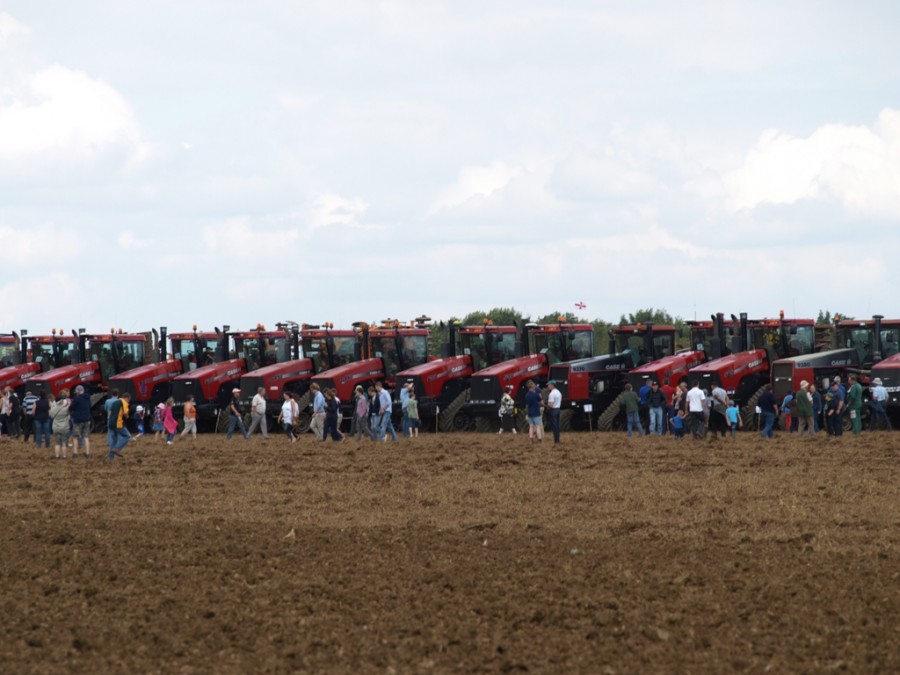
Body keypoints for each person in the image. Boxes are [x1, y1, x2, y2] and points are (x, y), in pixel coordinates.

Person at [69, 384, 92, 459]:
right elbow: (89, 406)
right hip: (87, 419)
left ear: (78, 391)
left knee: (75, 437)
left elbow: (71, 408)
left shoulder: (76, 398)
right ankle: (88, 453)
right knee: (86, 437)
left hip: (78, 420)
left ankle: (75, 453)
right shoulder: (88, 398)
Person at [107, 392, 132, 459]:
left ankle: (110, 457)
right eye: (129, 400)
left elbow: (110, 413)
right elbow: (126, 413)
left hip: (111, 423)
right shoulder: (124, 402)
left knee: (114, 441)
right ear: (127, 398)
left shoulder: (115, 402)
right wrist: (127, 417)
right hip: (118, 423)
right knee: (127, 436)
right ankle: (117, 448)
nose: (128, 401)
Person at [50, 390, 71, 459]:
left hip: (56, 426)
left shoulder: (54, 408)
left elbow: (51, 415)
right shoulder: (66, 408)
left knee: (57, 443)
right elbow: (69, 413)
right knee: (64, 443)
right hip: (64, 426)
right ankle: (64, 456)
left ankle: (57, 456)